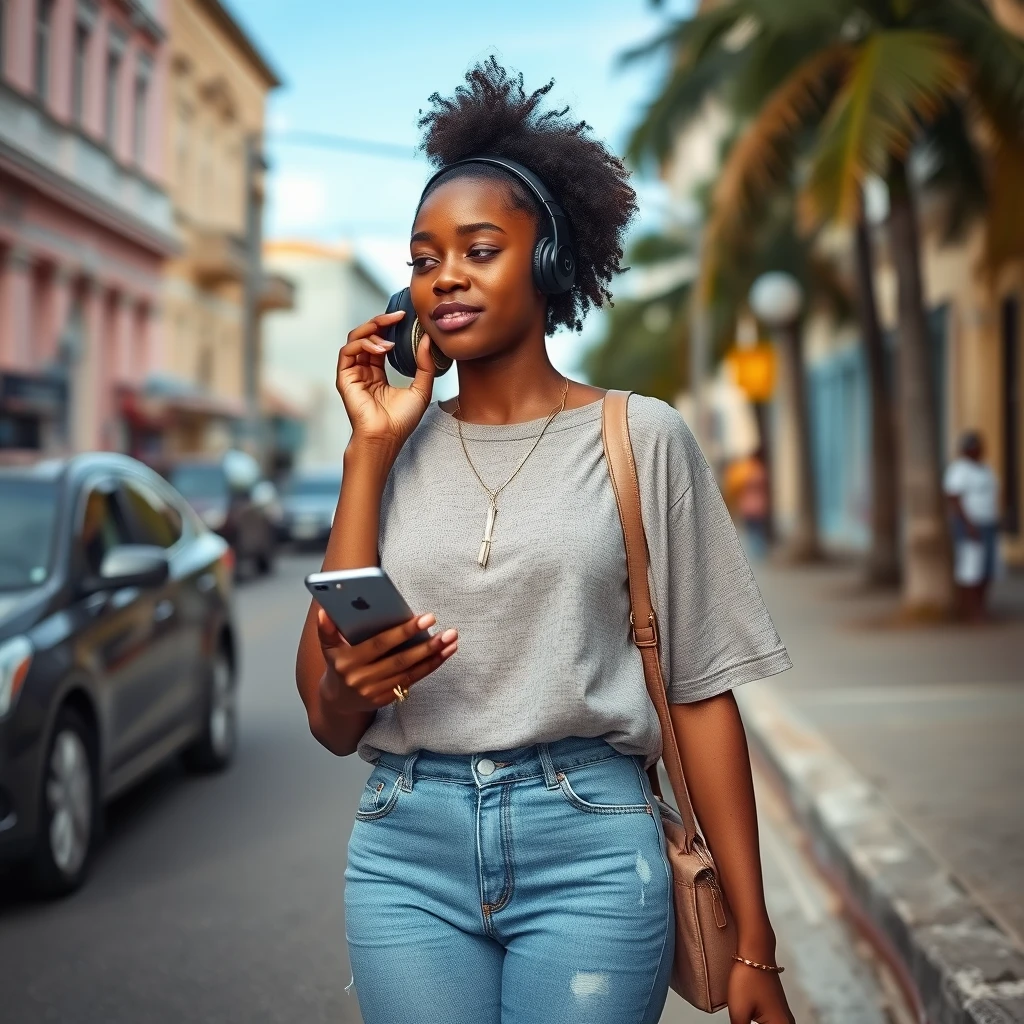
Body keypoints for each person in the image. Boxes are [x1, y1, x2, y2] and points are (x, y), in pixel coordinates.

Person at [294, 59, 795, 1024]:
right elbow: (327, 723)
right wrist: (367, 449)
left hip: (593, 846)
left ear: (551, 259)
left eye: (478, 249)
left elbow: (700, 696)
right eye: (424, 256)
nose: (444, 275)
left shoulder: (639, 437)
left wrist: (757, 948)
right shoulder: (389, 449)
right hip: (405, 848)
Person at [944, 430, 1000, 621]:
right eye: (973, 447)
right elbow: (954, 498)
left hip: (989, 523)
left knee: (987, 569)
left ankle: (982, 607)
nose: (977, 450)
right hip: (970, 526)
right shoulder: (959, 470)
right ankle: (970, 610)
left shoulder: (986, 469)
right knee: (970, 569)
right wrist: (968, 524)